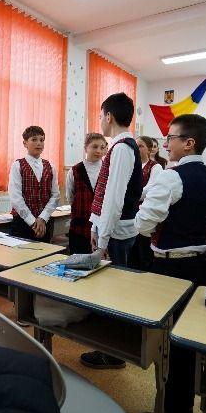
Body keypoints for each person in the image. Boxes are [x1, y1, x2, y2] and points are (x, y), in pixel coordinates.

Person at [135, 114, 206, 413]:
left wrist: (139, 226)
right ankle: (183, 412)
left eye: (170, 137)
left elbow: (144, 223)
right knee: (188, 342)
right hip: (201, 265)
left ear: (189, 143)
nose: (166, 143)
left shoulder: (172, 177)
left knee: (171, 344)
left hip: (173, 267)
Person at [80, 92, 142, 370]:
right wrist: (97, 226)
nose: (100, 121)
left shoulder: (122, 149)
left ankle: (114, 353)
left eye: (100, 116)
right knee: (113, 290)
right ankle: (112, 348)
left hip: (116, 233)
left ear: (109, 116)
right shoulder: (120, 146)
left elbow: (114, 199)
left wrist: (102, 239)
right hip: (112, 230)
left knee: (115, 294)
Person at [8, 126, 60, 242]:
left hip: (44, 222)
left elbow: (55, 195)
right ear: (25, 143)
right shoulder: (18, 165)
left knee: (45, 251)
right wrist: (32, 221)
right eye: (34, 139)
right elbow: (15, 198)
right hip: (22, 222)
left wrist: (42, 218)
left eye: (42, 140)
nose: (39, 143)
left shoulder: (50, 167)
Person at [65, 133, 108, 254]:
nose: (98, 151)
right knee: (78, 259)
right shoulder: (75, 170)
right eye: (94, 147)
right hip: (80, 227)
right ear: (86, 148)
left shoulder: (108, 170)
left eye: (102, 147)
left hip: (102, 227)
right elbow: (70, 196)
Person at [129, 136, 164, 270]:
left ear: (149, 150)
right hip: (129, 212)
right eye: (135, 145)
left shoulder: (156, 167)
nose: (137, 148)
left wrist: (130, 196)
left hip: (145, 214)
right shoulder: (131, 166)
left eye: (141, 146)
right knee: (131, 252)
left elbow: (151, 189)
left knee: (144, 250)